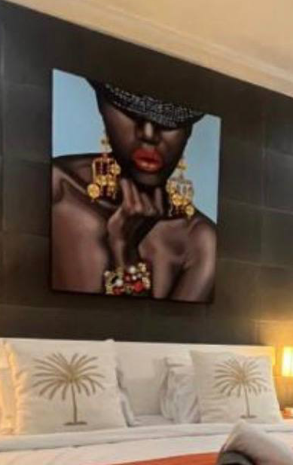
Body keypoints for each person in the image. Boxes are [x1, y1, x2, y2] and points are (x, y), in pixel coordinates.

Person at [51, 81, 217, 301]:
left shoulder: (200, 240)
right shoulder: (57, 188)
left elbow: (149, 324)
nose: (149, 134)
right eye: (131, 113)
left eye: (169, 121)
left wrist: (124, 249)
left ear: (188, 130)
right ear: (102, 106)